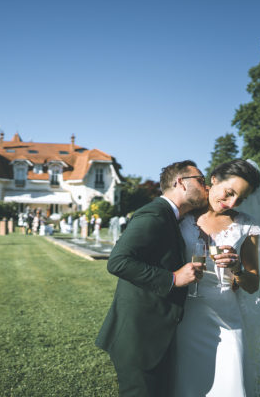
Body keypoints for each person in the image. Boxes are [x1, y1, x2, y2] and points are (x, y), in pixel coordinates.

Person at [173, 159, 260, 396]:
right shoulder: (181, 215)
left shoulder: (247, 226)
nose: (233, 202)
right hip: (184, 315)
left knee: (230, 384)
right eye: (229, 193)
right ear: (213, 180)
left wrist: (237, 269)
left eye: (241, 198)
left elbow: (253, 284)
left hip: (228, 318)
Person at [95, 160, 208, 396]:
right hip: (139, 337)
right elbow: (118, 261)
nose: (205, 186)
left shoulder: (171, 216)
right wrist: (173, 279)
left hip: (154, 334)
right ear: (181, 183)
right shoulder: (154, 214)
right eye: (200, 179)